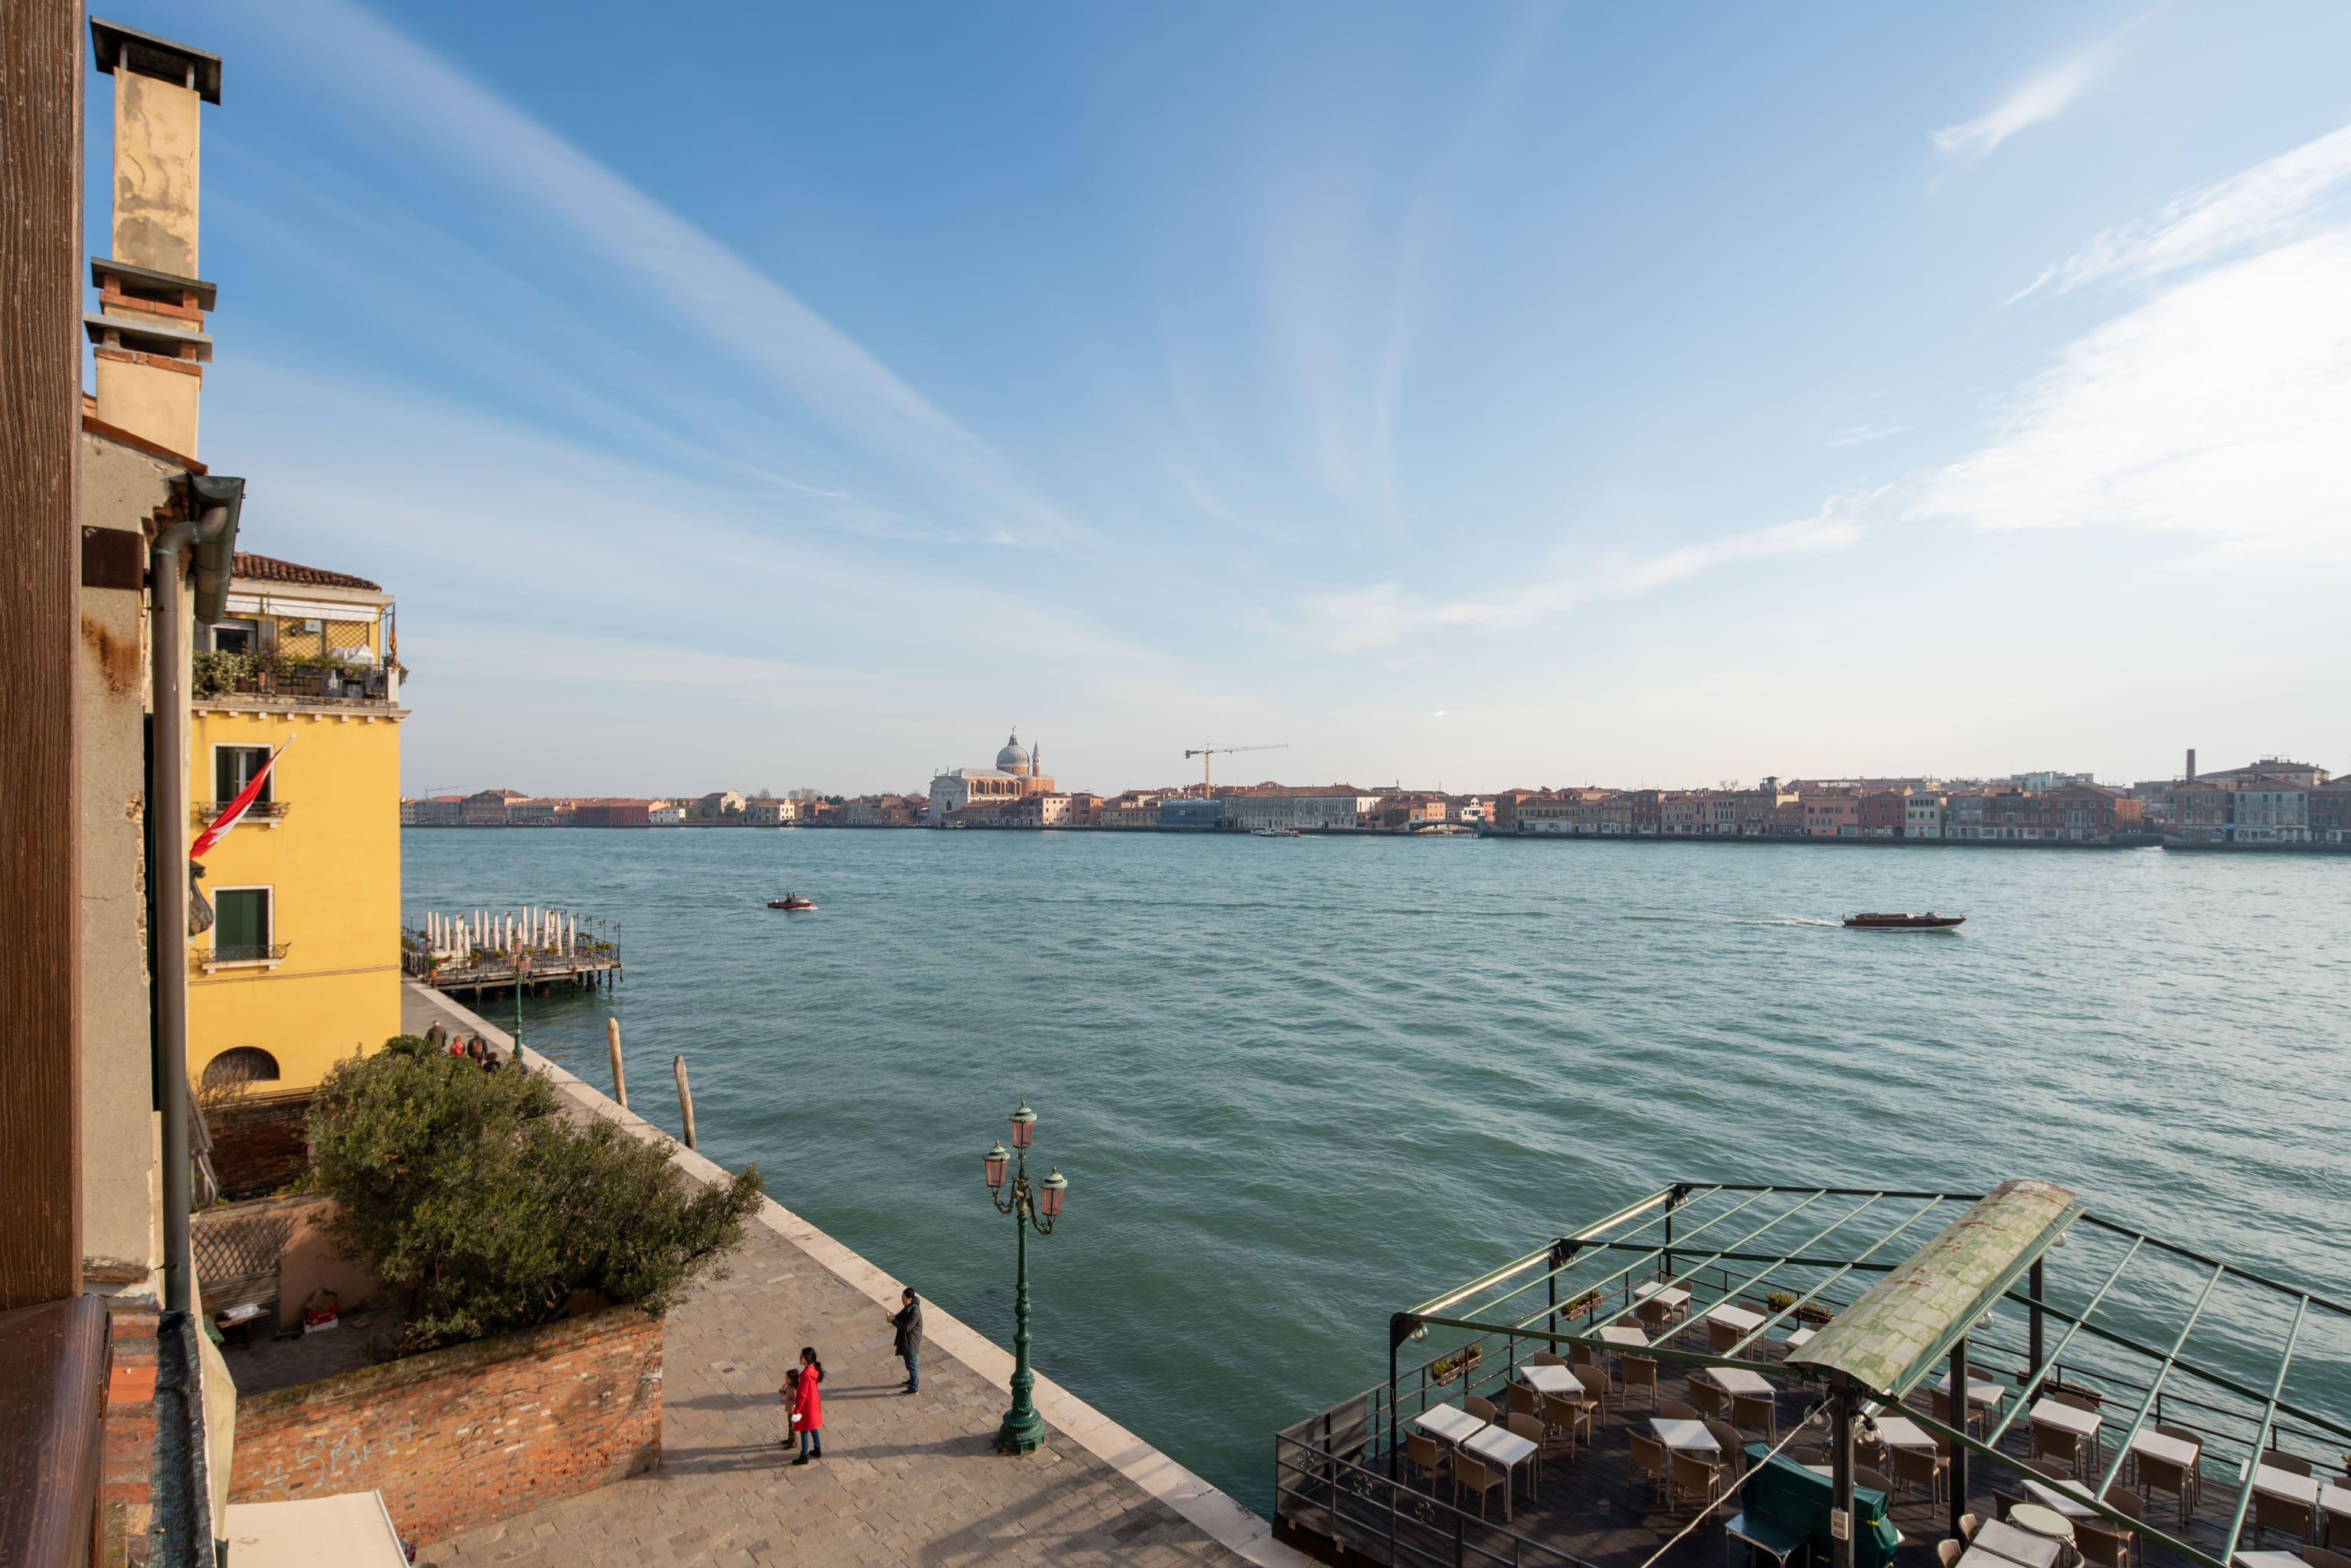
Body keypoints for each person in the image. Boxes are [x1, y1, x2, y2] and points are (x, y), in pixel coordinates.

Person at [783, 1346, 824, 1463]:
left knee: (804, 1429)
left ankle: (804, 1455)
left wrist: (797, 1411)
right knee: (813, 1427)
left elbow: (802, 1395)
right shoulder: (814, 1369)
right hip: (814, 1401)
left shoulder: (806, 1375)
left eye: (802, 1357)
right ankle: (817, 1449)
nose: (800, 1358)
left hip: (807, 1405)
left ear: (807, 1359)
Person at [886, 1288, 924, 1394]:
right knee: (910, 1362)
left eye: (903, 1299)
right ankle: (912, 1381)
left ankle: (914, 1388)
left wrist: (893, 1321)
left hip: (911, 1342)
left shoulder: (915, 1312)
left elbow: (906, 1328)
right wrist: (894, 1317)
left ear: (909, 1299)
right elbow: (901, 1314)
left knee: (912, 1364)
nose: (902, 1300)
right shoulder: (909, 1306)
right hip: (908, 1341)